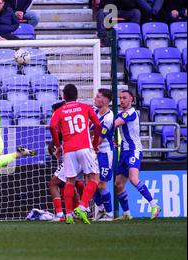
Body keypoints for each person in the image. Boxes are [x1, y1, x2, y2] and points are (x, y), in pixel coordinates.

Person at [49, 84, 102, 225]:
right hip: (85, 146)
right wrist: (95, 143)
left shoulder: (59, 111)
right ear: (77, 95)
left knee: (69, 181)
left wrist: (58, 146)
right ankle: (82, 206)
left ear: (64, 96)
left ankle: (69, 215)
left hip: (69, 149)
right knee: (94, 179)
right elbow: (97, 125)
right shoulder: (86, 107)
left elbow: (52, 126)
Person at [114, 90, 161, 220]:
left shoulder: (131, 112)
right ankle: (127, 214)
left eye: (124, 98)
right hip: (124, 151)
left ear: (131, 100)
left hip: (133, 150)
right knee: (118, 183)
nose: (121, 100)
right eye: (120, 98)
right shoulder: (121, 114)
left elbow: (114, 124)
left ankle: (154, 205)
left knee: (133, 179)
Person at [91, 88, 114, 221]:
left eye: (98, 97)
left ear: (105, 100)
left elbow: (99, 140)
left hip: (104, 152)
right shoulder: (94, 110)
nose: (95, 98)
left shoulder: (109, 118)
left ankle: (109, 214)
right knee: (90, 182)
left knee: (101, 184)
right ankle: (100, 209)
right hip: (93, 151)